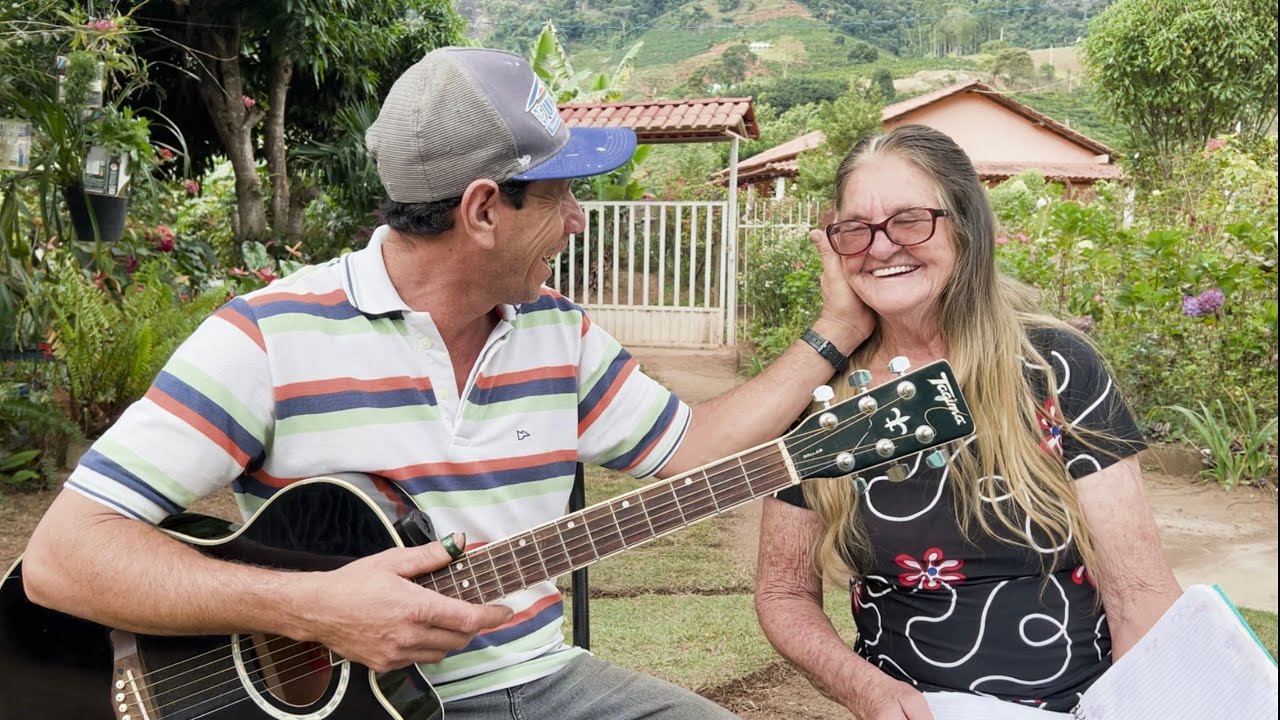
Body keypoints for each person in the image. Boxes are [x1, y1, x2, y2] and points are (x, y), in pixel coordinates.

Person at [21, 48, 867, 719]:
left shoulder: (558, 333)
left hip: (542, 683)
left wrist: (836, 332)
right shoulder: (266, 339)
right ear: (484, 209)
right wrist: (311, 610)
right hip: (348, 702)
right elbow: (62, 560)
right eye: (564, 196)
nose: (577, 221)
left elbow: (699, 449)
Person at [753, 124, 1183, 718]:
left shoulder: (1051, 367)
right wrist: (868, 691)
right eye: (856, 230)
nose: (881, 247)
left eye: (910, 220)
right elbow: (784, 592)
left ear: (967, 227)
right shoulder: (820, 395)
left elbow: (1139, 592)